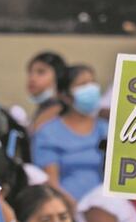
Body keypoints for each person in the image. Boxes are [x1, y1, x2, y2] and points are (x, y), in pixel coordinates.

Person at [31, 64, 108, 206]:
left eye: (93, 82)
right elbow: (51, 183)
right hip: (67, 207)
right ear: (65, 96)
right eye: (83, 84)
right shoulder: (48, 133)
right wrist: (72, 208)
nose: (91, 88)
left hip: (105, 207)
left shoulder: (105, 129)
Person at [24, 52, 67, 132]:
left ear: (59, 77)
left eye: (41, 72)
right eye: (30, 73)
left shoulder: (61, 110)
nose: (32, 78)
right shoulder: (43, 108)